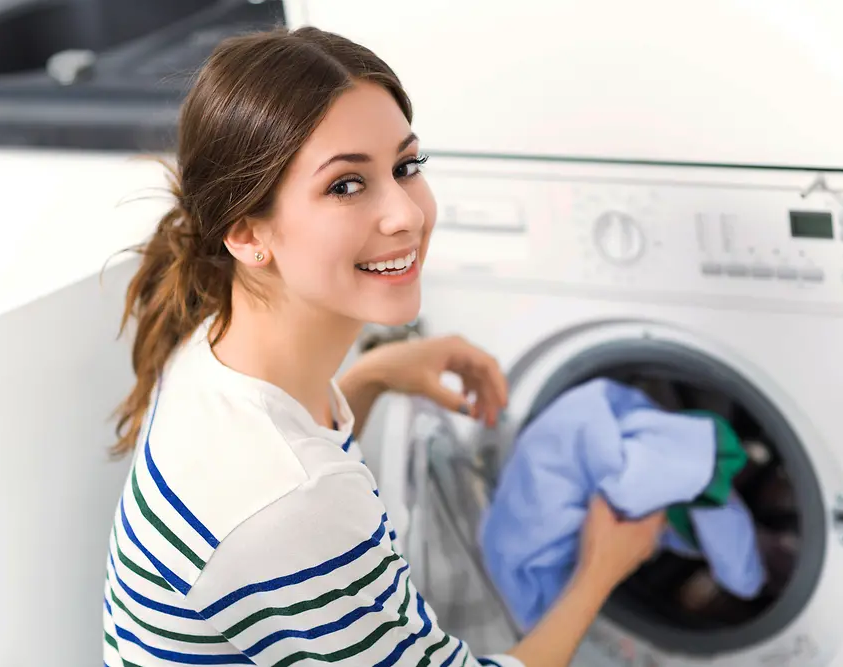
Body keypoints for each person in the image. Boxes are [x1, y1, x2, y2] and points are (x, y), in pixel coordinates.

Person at [102, 26, 665, 667]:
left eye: (405, 167)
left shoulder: (211, 346)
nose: (406, 214)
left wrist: (372, 376)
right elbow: (294, 502)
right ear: (247, 232)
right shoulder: (290, 500)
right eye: (346, 185)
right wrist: (599, 570)